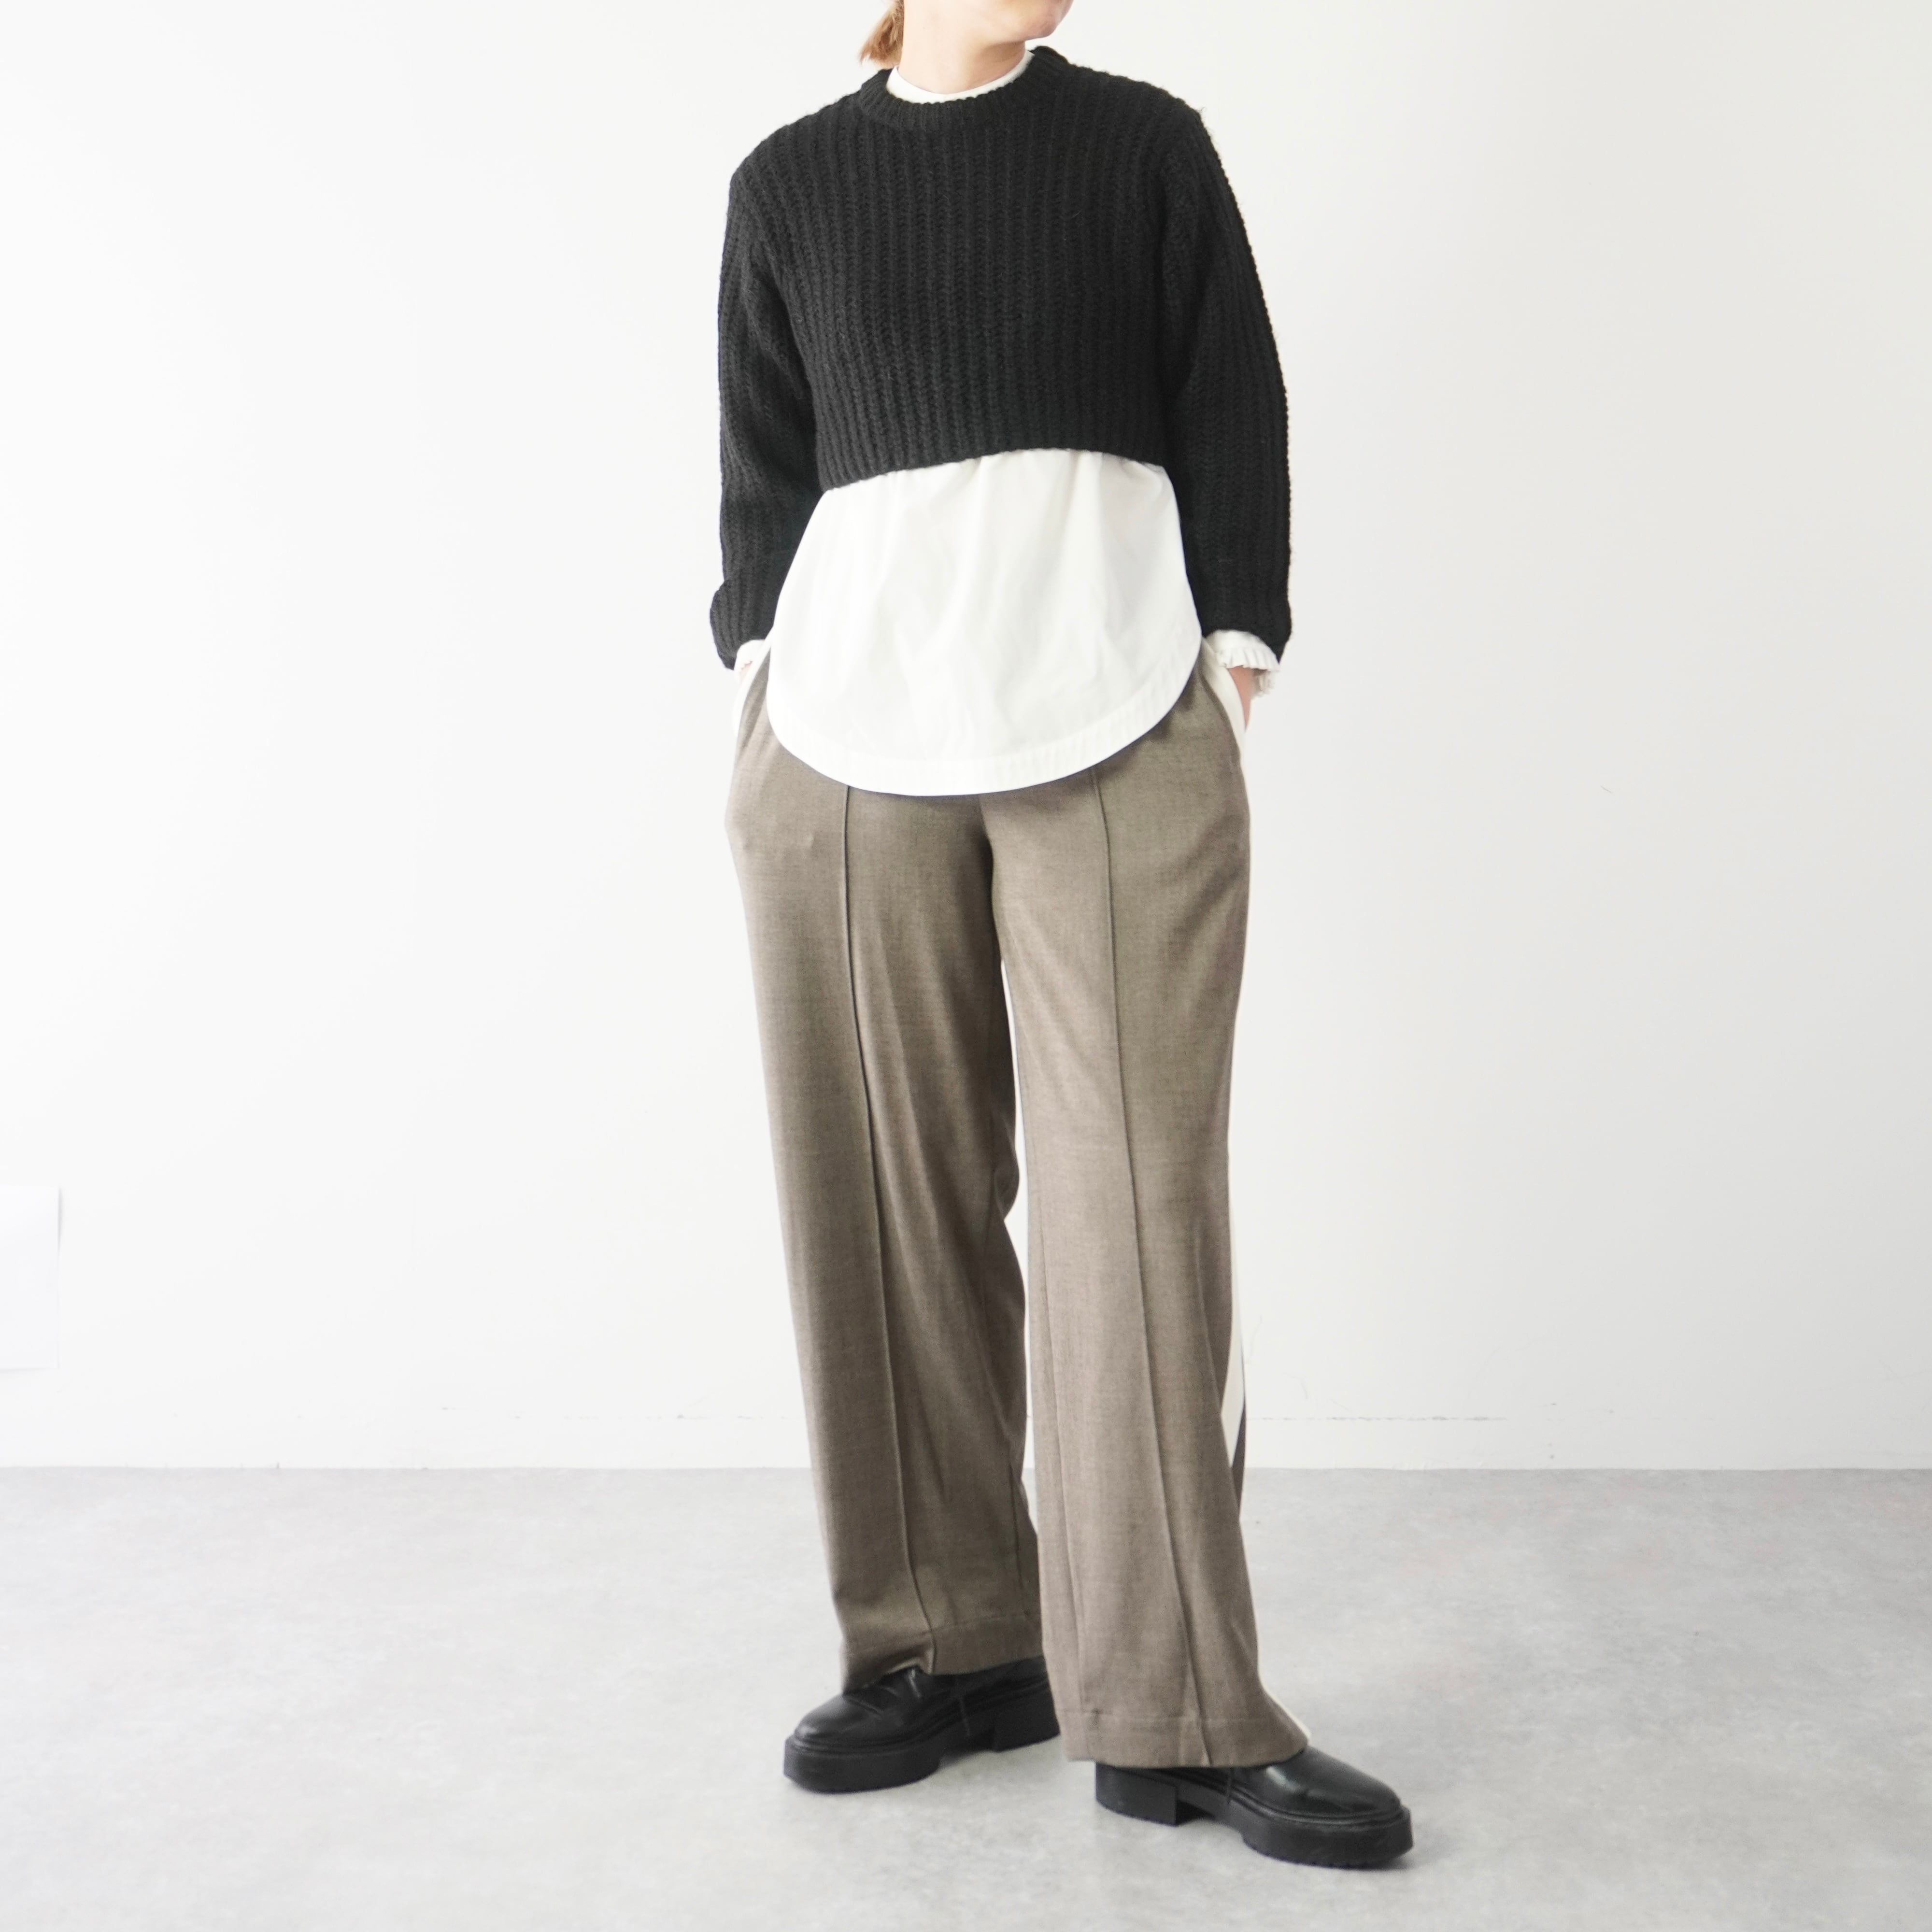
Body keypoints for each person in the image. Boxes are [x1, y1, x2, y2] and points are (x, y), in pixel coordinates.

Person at [713, 0, 1412, 1870]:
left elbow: (1230, 395)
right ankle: (945, 1647)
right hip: (843, 740)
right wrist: (757, 668)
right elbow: (766, 470)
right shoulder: (790, 183)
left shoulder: (1141, 145)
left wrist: (1236, 647)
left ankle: (1178, 1706)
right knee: (881, 1194)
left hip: (1116, 707)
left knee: (1141, 1211)